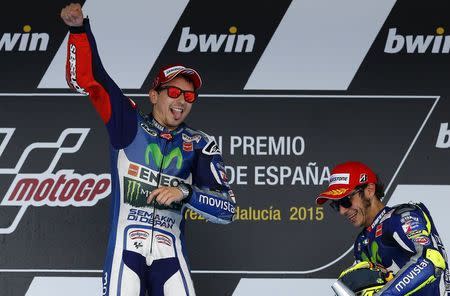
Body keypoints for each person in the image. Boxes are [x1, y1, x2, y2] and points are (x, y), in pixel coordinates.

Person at [60, 3, 236, 296]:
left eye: (190, 95)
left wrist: (186, 193)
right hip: (126, 251)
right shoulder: (128, 124)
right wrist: (78, 30)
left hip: (171, 255)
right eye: (175, 92)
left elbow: (227, 209)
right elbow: (94, 81)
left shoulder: (200, 144)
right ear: (154, 95)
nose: (182, 101)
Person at [316, 161, 450, 295]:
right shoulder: (361, 243)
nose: (342, 211)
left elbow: (431, 260)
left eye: (345, 201)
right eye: (336, 205)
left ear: (369, 190)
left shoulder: (402, 216)